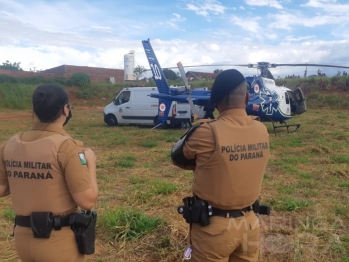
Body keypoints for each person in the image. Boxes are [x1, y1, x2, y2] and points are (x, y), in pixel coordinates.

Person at [171, 69, 270, 262]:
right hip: (250, 224)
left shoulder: (206, 132)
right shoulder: (261, 129)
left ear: (216, 102)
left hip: (214, 230)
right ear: (247, 97)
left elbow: (177, 156)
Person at [0, 84, 98, 262]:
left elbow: (1, 189)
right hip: (58, 242)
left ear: (34, 110)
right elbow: (87, 201)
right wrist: (89, 162)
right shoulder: (68, 147)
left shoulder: (10, 145)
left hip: (23, 240)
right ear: (66, 109)